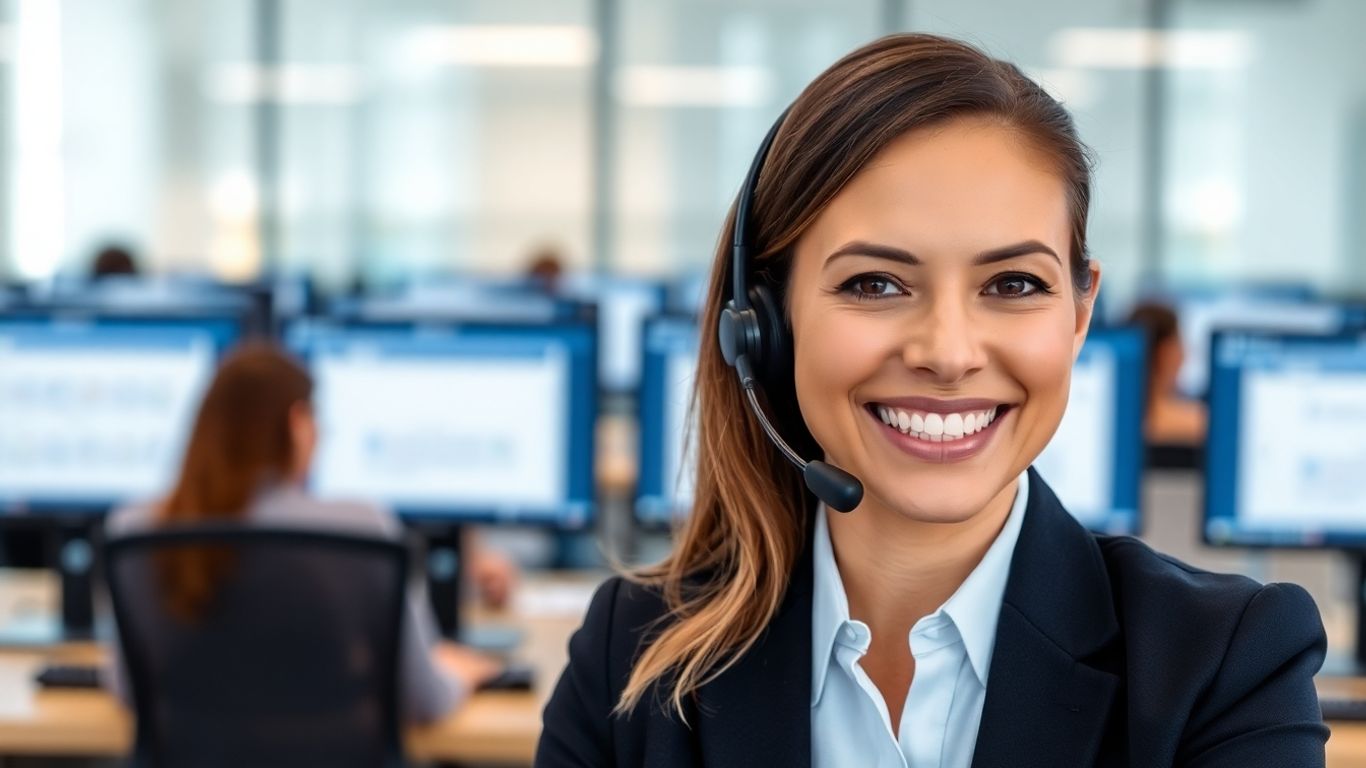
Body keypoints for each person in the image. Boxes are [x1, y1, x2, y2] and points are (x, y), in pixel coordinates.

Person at [536, 33, 1326, 767]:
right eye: (875, 284)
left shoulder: (1221, 665)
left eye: (1013, 284)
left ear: (1080, 314)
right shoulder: (632, 654)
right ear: (765, 324)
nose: (948, 354)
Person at [105, 343, 500, 723]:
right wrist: (458, 676)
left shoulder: (137, 528)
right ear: (297, 424)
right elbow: (424, 702)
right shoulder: (361, 530)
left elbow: (128, 691)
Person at [1127, 300, 1208, 444]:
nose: (1185, 354)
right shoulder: (1198, 423)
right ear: (1165, 353)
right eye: (1179, 343)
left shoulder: (1113, 419)